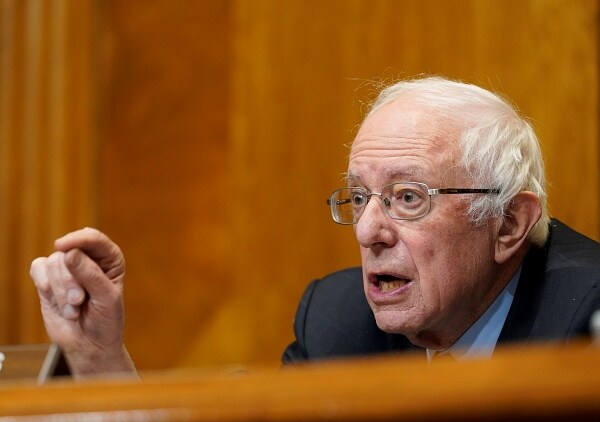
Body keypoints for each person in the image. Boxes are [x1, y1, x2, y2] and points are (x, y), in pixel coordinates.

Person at [29, 76, 600, 377]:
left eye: (407, 197)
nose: (367, 230)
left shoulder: (586, 327)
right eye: (358, 196)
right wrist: (99, 355)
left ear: (507, 224)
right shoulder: (338, 321)